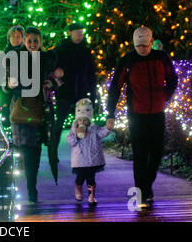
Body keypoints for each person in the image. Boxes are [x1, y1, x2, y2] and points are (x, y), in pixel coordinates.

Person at [106, 26, 178, 209]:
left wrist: (165, 97)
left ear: (151, 43)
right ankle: (141, 191)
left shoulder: (161, 58)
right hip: (136, 113)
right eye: (138, 46)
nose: (142, 49)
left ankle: (147, 185)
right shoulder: (128, 60)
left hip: (157, 112)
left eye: (145, 46)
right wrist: (111, 113)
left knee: (156, 151)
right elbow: (115, 87)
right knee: (140, 153)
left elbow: (173, 79)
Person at [5, 27, 56, 203]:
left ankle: (31, 185)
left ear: (40, 41)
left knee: (36, 149)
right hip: (23, 108)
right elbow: (5, 82)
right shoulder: (16, 58)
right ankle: (31, 188)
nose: (33, 44)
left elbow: (57, 77)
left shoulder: (47, 59)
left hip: (41, 109)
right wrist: (10, 84)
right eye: (30, 41)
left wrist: (52, 82)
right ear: (25, 41)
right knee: (28, 148)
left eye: (36, 41)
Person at [53, 23, 97, 162]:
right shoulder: (61, 50)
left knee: (83, 124)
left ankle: (83, 153)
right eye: (77, 32)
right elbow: (52, 66)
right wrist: (56, 74)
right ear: (70, 33)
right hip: (65, 92)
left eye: (81, 32)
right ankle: (53, 152)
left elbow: (91, 74)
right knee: (59, 123)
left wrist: (92, 94)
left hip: (82, 93)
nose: (79, 35)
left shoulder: (86, 51)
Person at [67, 98, 112, 206]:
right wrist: (77, 136)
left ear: (89, 120)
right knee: (80, 178)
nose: (82, 122)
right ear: (77, 121)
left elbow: (102, 133)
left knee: (91, 178)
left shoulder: (94, 128)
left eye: (85, 120)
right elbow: (71, 141)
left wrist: (108, 128)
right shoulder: (73, 130)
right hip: (80, 159)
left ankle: (91, 195)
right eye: (80, 120)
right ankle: (78, 189)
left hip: (92, 158)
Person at [0, 26, 25, 127]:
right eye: (13, 36)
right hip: (10, 96)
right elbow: (0, 79)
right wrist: (7, 86)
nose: (15, 39)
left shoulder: (28, 53)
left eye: (18, 36)